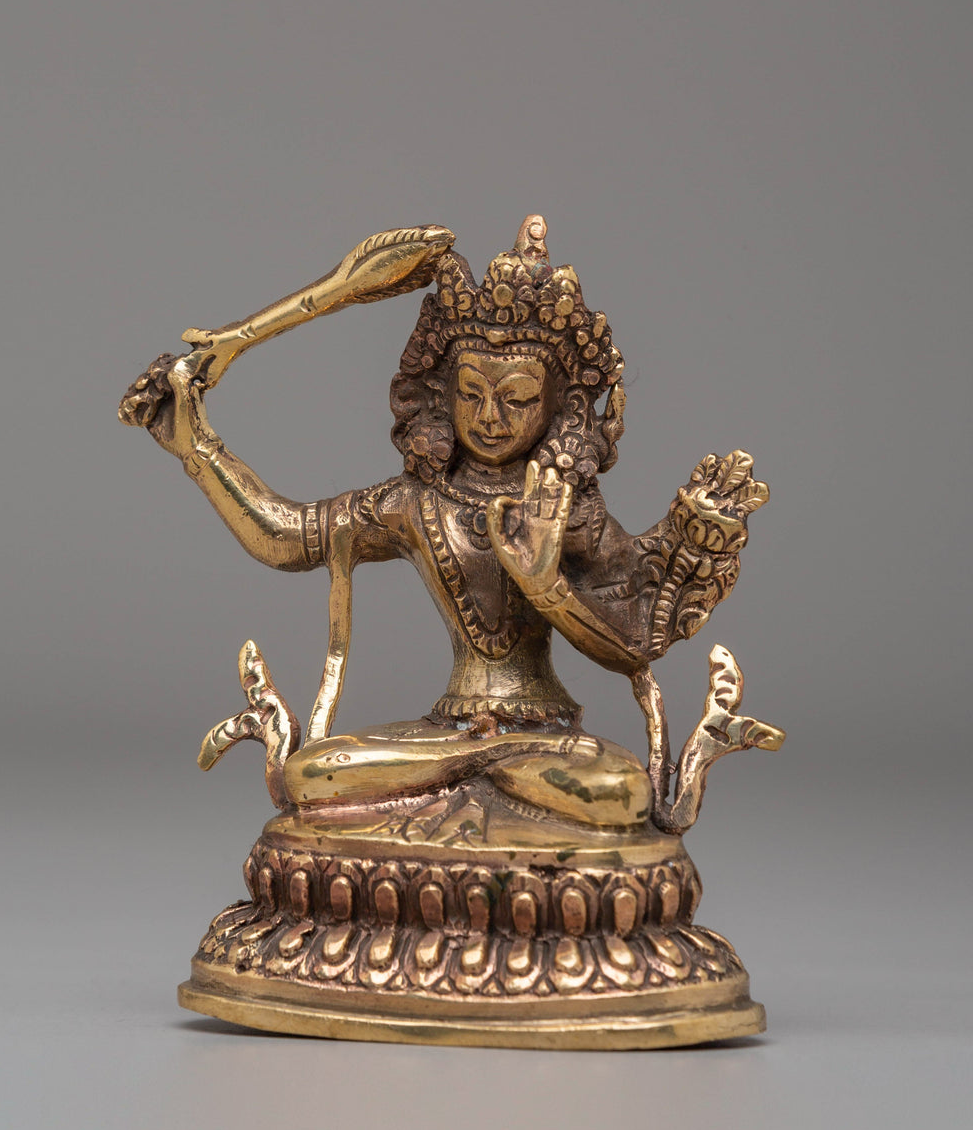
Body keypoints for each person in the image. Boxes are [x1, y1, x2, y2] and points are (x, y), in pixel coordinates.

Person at [122, 216, 773, 833]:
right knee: (316, 773)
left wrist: (545, 585)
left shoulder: (565, 508)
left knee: (617, 789)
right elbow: (287, 537)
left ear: (558, 407)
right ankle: (475, 804)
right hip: (442, 736)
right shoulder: (416, 502)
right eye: (471, 394)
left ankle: (468, 808)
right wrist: (197, 450)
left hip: (545, 739)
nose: (490, 417)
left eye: (517, 399)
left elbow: (629, 649)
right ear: (438, 391)